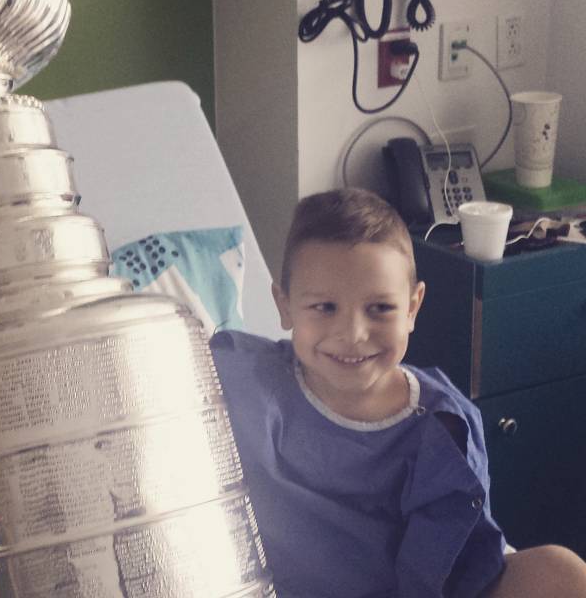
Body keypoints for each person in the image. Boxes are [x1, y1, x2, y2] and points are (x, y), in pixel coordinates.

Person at [211, 188, 586, 598]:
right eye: (325, 308)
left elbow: (454, 564)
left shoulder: (442, 429)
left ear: (412, 307)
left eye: (380, 309)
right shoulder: (246, 380)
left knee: (559, 572)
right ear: (284, 307)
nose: (353, 335)